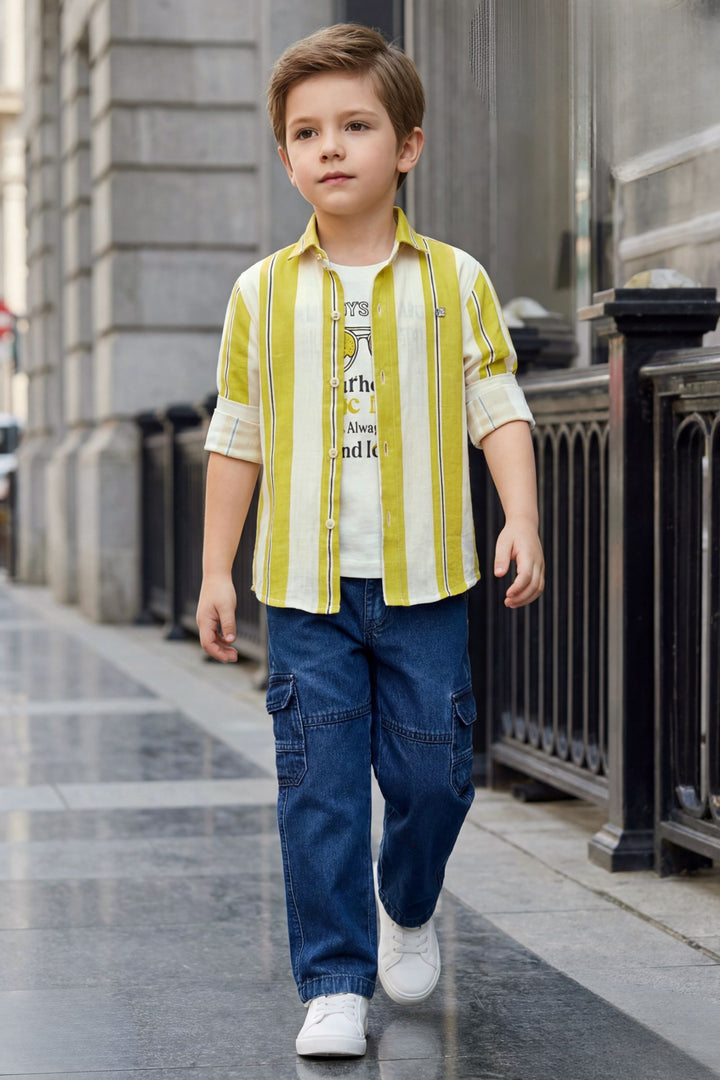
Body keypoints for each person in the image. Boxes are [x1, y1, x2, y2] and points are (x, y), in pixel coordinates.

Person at [196, 22, 544, 1060]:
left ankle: (407, 900)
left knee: (435, 777)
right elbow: (237, 435)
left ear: (408, 147)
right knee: (320, 784)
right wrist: (216, 568)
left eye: (356, 125)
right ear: (287, 154)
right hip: (303, 592)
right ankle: (335, 979)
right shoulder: (261, 294)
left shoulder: (454, 281)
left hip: (428, 581)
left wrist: (520, 513)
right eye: (307, 132)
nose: (331, 147)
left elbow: (497, 402)